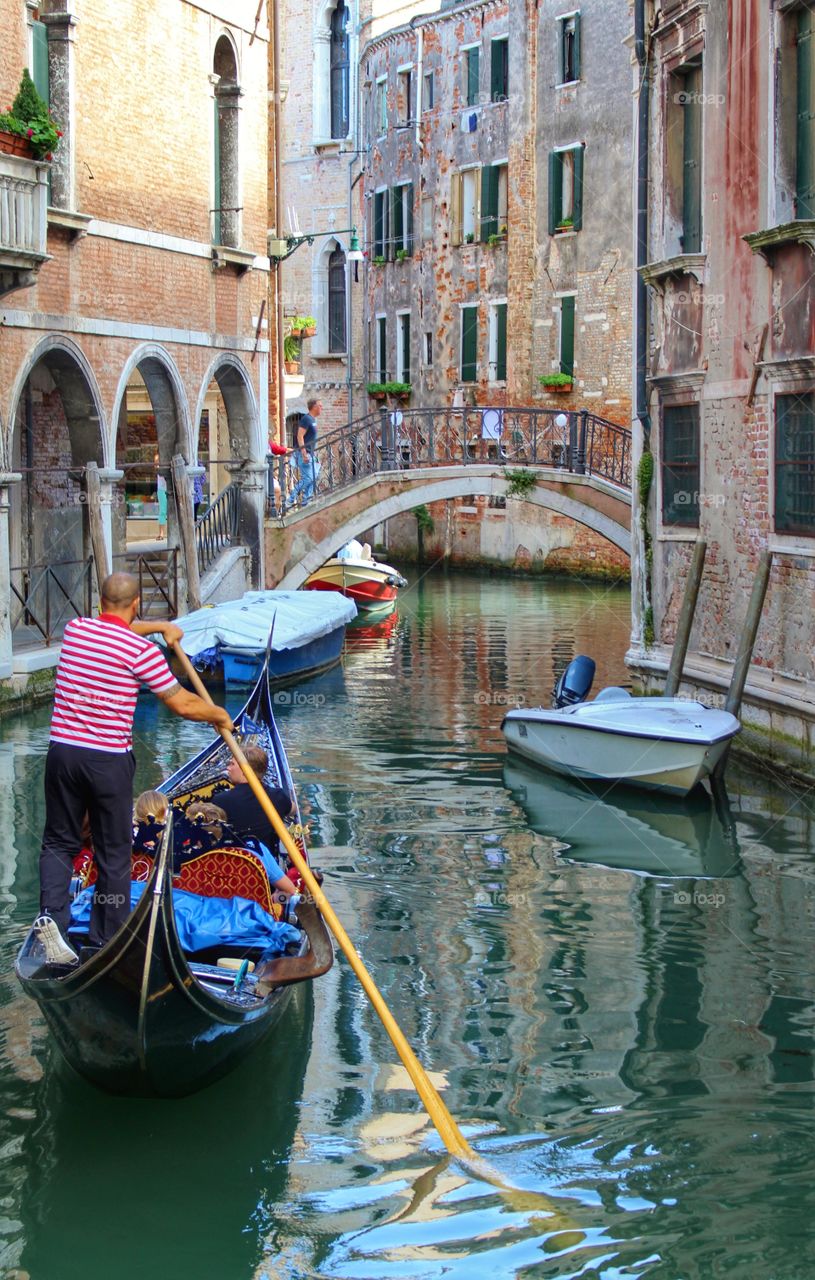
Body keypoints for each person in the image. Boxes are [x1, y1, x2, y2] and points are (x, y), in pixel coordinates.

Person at [34, 572, 233, 966]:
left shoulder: (76, 629)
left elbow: (117, 623)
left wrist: (161, 627)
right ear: (136, 603)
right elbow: (180, 704)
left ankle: (51, 925)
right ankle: (106, 939)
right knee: (114, 851)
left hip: (62, 755)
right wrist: (218, 713)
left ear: (100, 603)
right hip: (107, 761)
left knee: (59, 842)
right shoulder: (140, 652)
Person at [216, 744, 293, 864]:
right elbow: (293, 809)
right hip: (266, 866)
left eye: (232, 764)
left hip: (232, 864)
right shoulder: (278, 796)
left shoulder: (221, 800)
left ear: (244, 770)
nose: (228, 768)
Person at [290, 398, 322, 508]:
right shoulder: (306, 419)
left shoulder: (313, 420)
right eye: (320, 406)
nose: (321, 408)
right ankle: (291, 498)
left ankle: (305, 501)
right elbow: (300, 436)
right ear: (314, 407)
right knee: (308, 478)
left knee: (315, 476)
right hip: (303, 454)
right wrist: (303, 453)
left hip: (311, 454)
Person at [154, 452, 167, 539]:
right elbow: (157, 467)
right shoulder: (158, 457)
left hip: (170, 487)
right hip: (162, 489)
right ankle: (161, 533)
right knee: (162, 511)